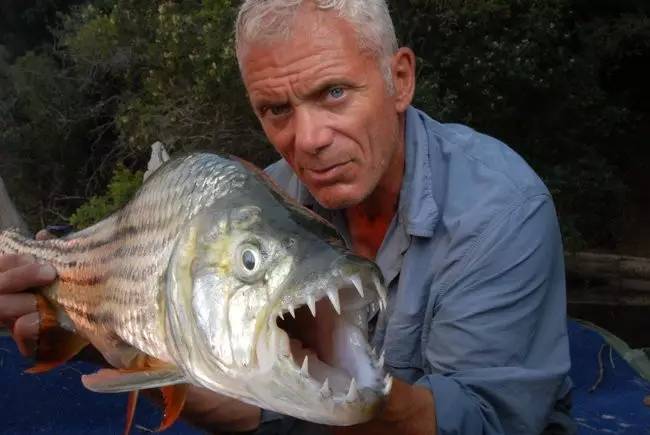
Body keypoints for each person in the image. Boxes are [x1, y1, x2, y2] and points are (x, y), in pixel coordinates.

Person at [0, 1, 575, 434]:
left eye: (333, 93)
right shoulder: (266, 195)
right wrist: (128, 348)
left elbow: (487, 422)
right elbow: (256, 408)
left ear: (399, 79)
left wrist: (355, 389)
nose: (308, 140)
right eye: (276, 109)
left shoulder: (500, 210)